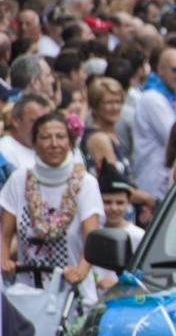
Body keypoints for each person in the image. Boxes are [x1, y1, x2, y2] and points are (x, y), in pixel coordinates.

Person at [0, 111, 103, 304]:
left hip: (73, 295)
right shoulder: (19, 180)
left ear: (70, 141)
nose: (54, 144)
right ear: (34, 143)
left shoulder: (85, 183)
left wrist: (80, 272)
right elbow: (4, 234)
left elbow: (92, 238)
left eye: (60, 137)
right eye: (46, 137)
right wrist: (4, 261)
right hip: (26, 293)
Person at [132, 47, 176, 203]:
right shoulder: (152, 98)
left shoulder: (175, 95)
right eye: (175, 70)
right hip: (151, 185)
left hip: (163, 182)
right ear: (160, 70)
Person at [94, 163, 143, 290]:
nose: (114, 208)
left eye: (120, 203)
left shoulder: (139, 236)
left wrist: (119, 282)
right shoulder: (91, 231)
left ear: (128, 203)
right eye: (107, 202)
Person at [2, 93, 52, 170]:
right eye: (35, 122)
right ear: (16, 121)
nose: (42, 128)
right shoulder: (4, 151)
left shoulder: (50, 151)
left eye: (45, 122)